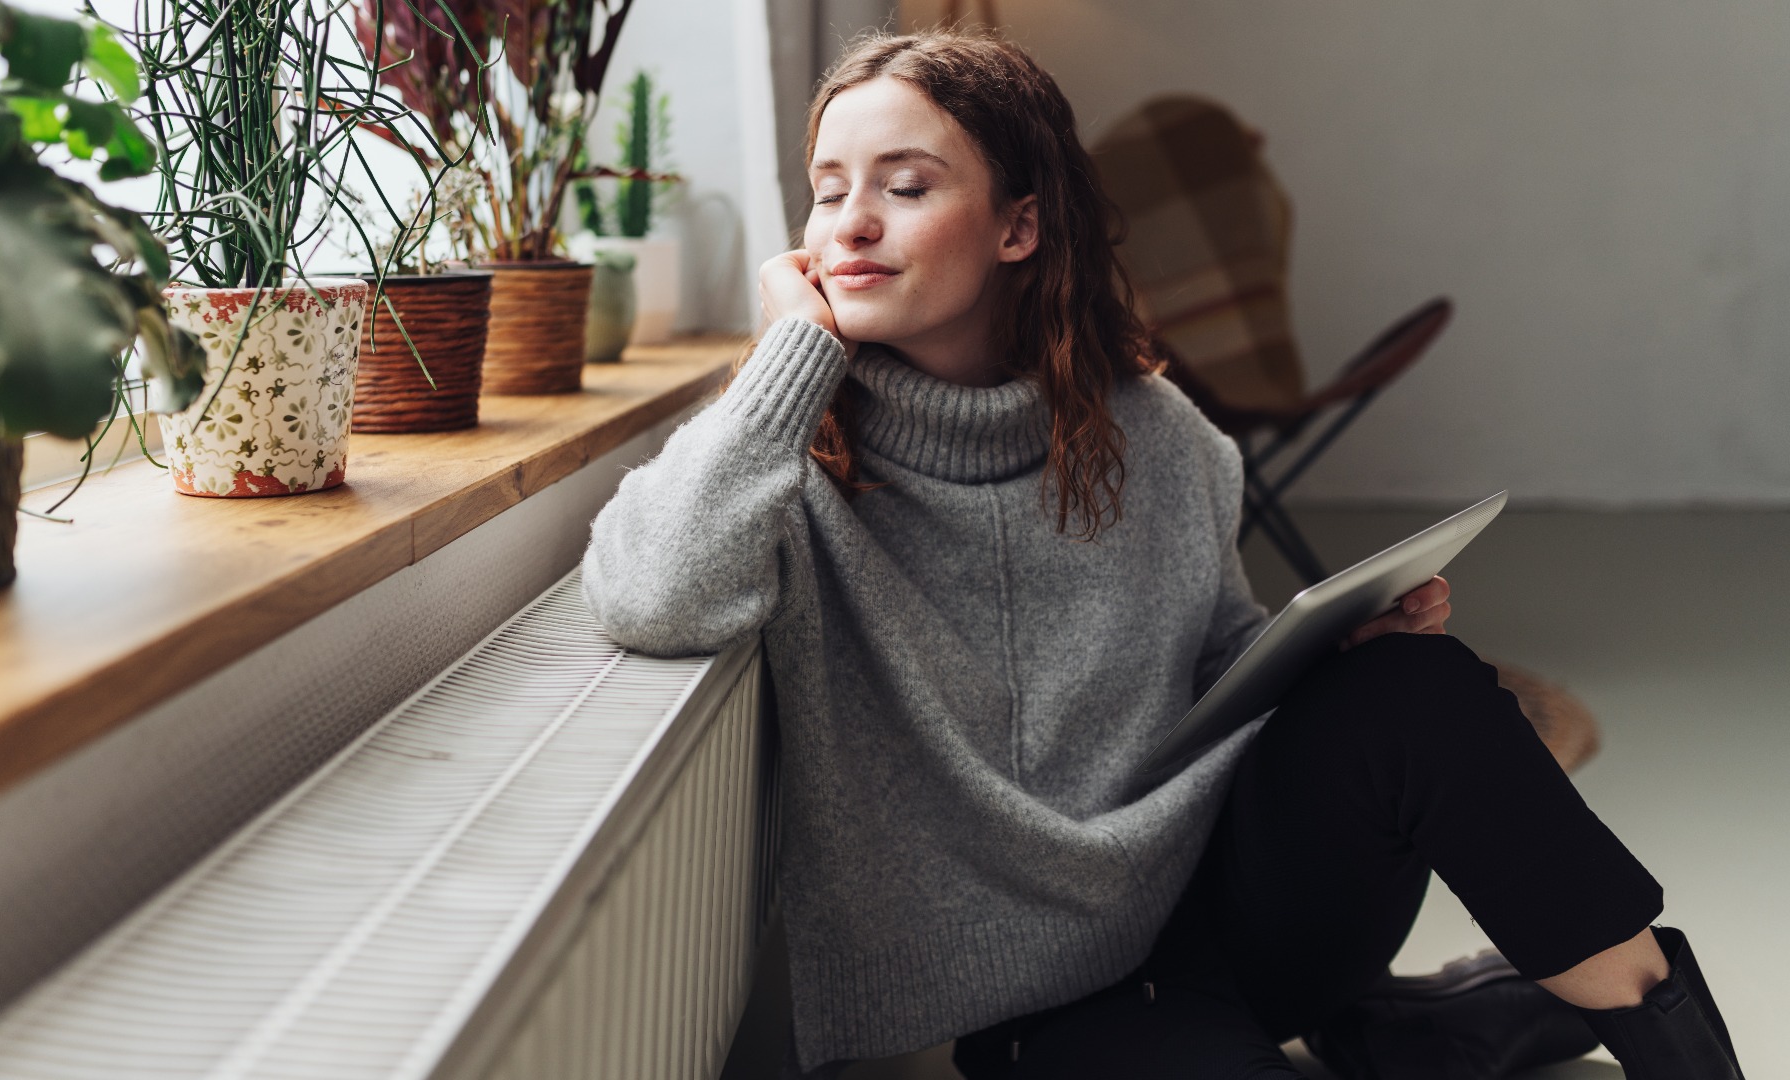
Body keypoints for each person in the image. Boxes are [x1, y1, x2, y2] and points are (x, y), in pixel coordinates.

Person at [580, 30, 1745, 1080]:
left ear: (1019, 226)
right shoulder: (782, 456)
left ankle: (1672, 1051)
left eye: (906, 185)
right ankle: (1417, 1028)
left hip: (1213, 921)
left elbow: (1212, 654)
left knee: (1417, 689)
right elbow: (647, 596)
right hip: (1023, 1015)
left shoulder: (1154, 433)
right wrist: (791, 360)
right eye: (828, 192)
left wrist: (1330, 658)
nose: (852, 224)